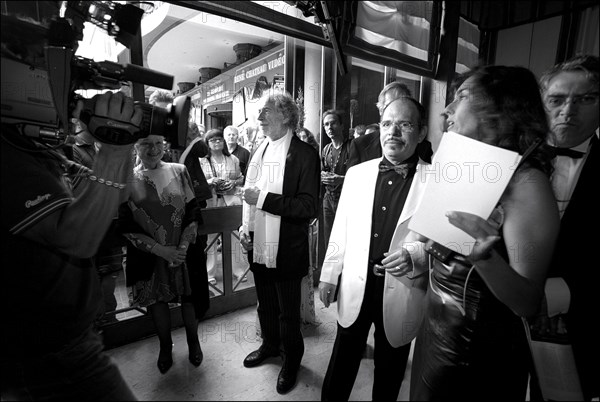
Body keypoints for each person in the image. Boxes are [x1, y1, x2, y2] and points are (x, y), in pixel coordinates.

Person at [1, 8, 143, 399]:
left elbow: (130, 193)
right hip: (46, 357)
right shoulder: (8, 156)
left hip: (70, 341)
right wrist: (114, 152)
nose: (68, 100)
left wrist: (113, 143)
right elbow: (76, 238)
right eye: (51, 81)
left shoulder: (36, 146)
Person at [408, 65, 560, 400]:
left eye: (462, 97)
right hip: (435, 331)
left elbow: (526, 301)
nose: (447, 110)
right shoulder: (466, 165)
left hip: (474, 351)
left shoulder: (526, 182)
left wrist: (485, 258)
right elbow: (442, 255)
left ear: (501, 108)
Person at [318, 95, 430, 401]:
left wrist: (416, 255)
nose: (393, 132)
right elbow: (340, 226)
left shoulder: (435, 182)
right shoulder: (358, 174)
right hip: (356, 283)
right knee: (341, 362)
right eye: (387, 123)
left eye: (404, 124)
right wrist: (329, 275)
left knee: (390, 370)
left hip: (403, 288)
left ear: (420, 133)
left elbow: (443, 242)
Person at [239, 91, 320, 395]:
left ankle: (292, 360)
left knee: (288, 312)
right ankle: (270, 346)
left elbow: (307, 208)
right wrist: (244, 226)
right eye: (259, 113)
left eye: (265, 112)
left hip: (287, 248)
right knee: (266, 306)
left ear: (286, 116)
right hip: (258, 243)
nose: (259, 118)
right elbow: (248, 192)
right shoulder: (259, 148)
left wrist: (261, 200)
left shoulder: (305, 154)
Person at [534, 54, 599, 401]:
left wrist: (561, 293)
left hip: (578, 325)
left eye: (586, 99)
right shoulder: (509, 160)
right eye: (557, 100)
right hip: (502, 323)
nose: (568, 111)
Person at [118, 134, 204, 375]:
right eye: (146, 144)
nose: (153, 149)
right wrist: (161, 250)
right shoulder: (127, 180)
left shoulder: (179, 170)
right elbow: (125, 225)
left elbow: (193, 212)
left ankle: (193, 342)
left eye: (158, 143)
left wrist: (183, 248)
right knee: (157, 303)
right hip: (149, 256)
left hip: (182, 253)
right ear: (135, 147)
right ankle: (165, 347)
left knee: (188, 299)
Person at [200, 129, 245, 285]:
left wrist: (233, 182)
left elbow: (240, 178)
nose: (217, 142)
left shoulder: (232, 159)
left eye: (219, 139)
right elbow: (197, 183)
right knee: (211, 238)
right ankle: (209, 272)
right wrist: (210, 181)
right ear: (207, 143)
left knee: (234, 237)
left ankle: (237, 271)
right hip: (211, 201)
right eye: (213, 140)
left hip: (230, 200)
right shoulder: (202, 161)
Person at [320, 110, 351, 249]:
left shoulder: (352, 147)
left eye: (333, 123)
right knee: (329, 239)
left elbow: (362, 177)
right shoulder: (326, 149)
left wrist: (343, 179)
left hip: (346, 198)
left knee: (346, 239)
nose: (329, 128)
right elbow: (322, 171)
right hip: (328, 198)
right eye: (326, 124)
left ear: (342, 125)